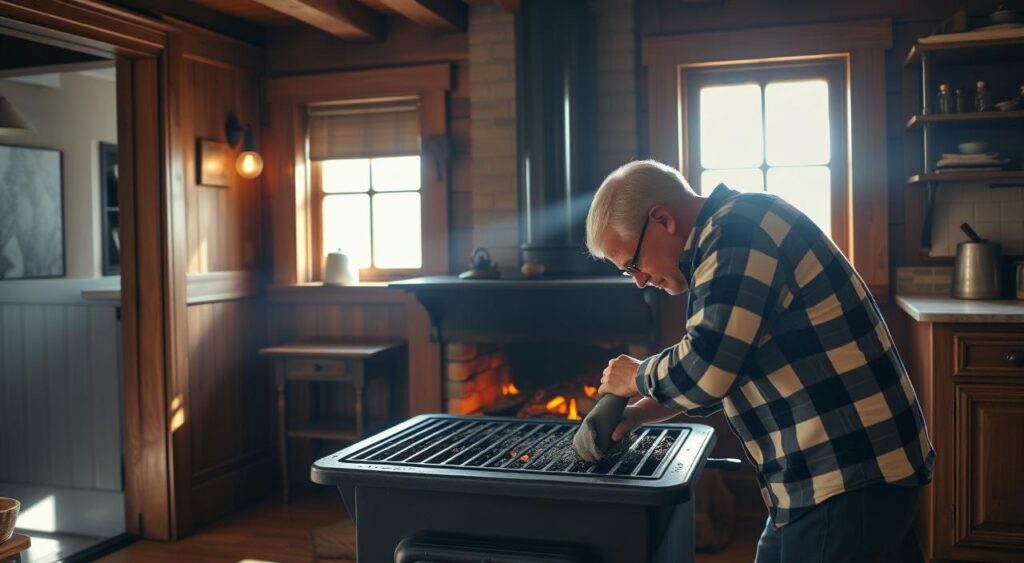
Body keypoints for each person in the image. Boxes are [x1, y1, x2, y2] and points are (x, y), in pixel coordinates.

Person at [587, 160, 935, 563]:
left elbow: (707, 370)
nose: (640, 281)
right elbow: (724, 371)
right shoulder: (726, 237)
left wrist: (636, 375)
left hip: (847, 471)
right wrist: (638, 415)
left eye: (633, 264)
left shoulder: (739, 231)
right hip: (822, 476)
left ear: (662, 219)